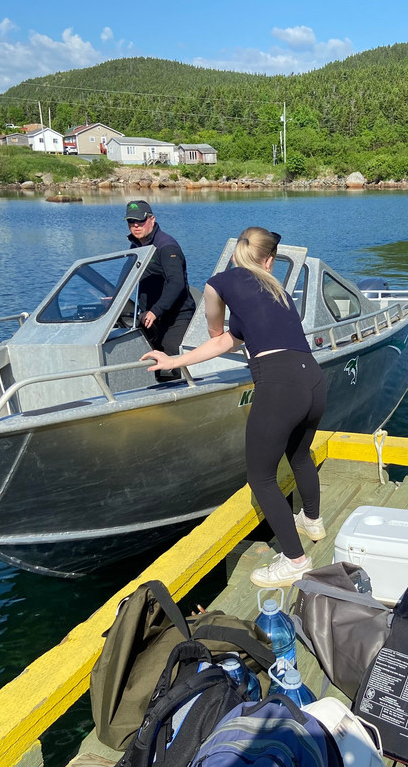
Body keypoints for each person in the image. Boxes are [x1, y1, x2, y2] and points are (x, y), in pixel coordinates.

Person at [142, 227, 328, 587]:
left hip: (279, 386)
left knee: (261, 477)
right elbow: (230, 339)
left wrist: (180, 353)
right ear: (268, 261)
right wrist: (175, 361)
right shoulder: (277, 292)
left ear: (236, 255)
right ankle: (312, 521)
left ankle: (295, 560)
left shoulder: (219, 282)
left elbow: (215, 333)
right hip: (313, 379)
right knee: (300, 455)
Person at [124, 200, 196, 379]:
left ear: (152, 219)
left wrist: (156, 311)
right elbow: (128, 277)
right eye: (131, 221)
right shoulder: (136, 246)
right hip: (150, 318)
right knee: (153, 368)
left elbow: (176, 283)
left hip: (175, 318)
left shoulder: (166, 246)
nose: (135, 225)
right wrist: (114, 298)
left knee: (177, 368)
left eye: (140, 221)